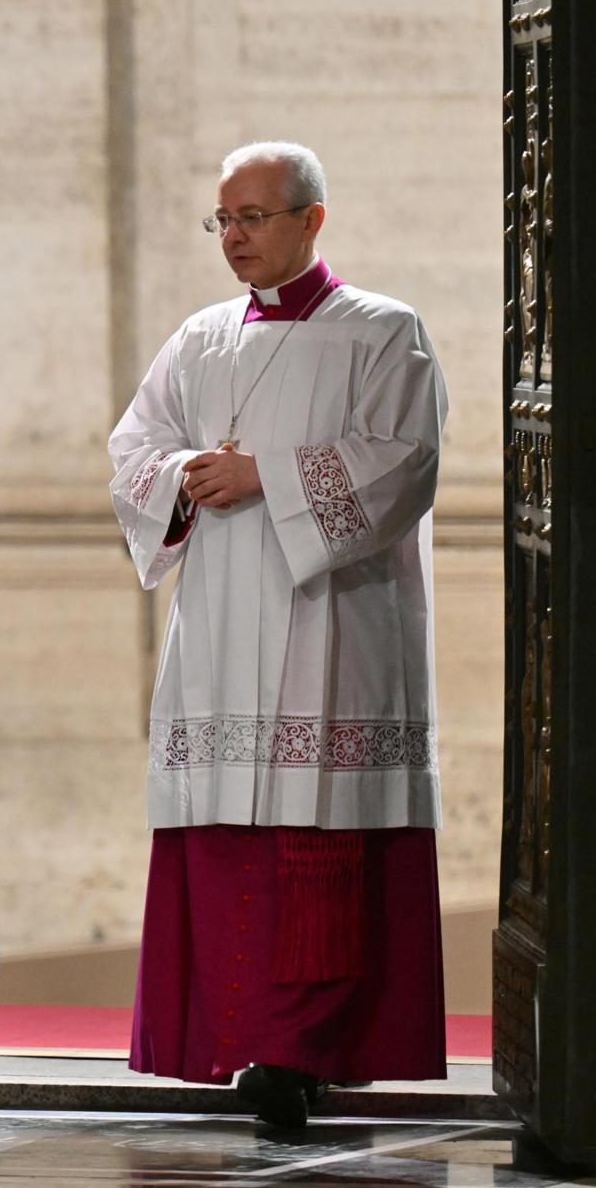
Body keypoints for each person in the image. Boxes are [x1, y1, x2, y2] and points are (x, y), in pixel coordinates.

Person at [108, 141, 448, 1127]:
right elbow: (134, 447)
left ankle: (302, 1051)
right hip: (221, 623)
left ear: (313, 219)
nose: (237, 236)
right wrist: (178, 478)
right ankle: (230, 1041)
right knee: (229, 844)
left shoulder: (385, 334)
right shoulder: (201, 338)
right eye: (224, 219)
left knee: (317, 848)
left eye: (256, 216)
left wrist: (270, 478)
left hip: (334, 629)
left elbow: (404, 462)